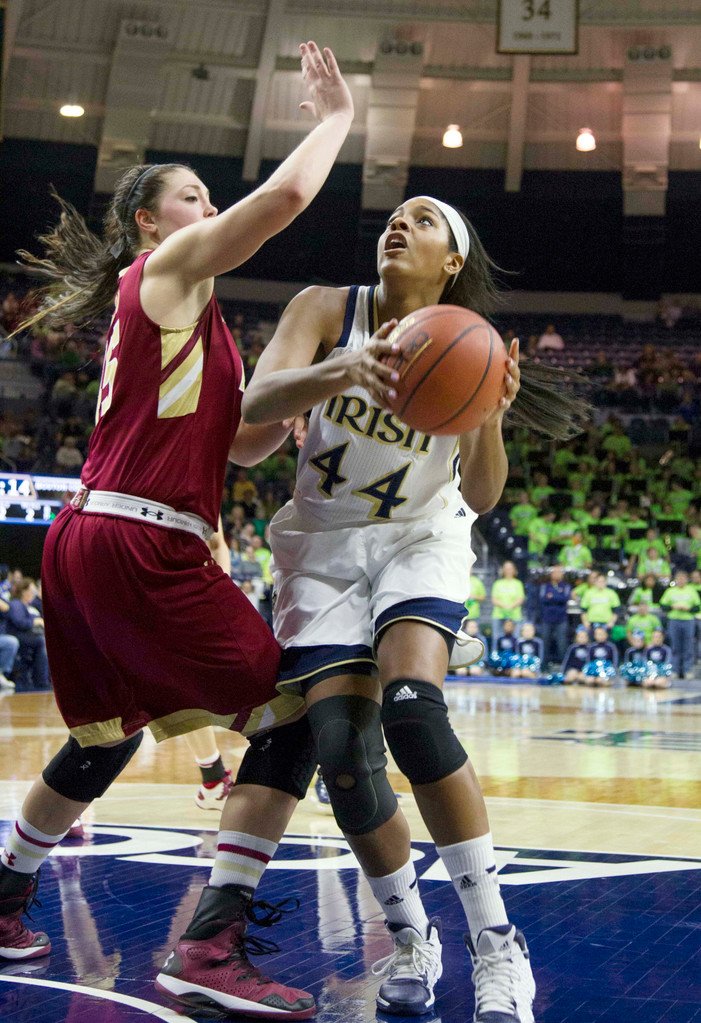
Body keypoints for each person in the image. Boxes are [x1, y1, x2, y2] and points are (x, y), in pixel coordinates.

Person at [0, 41, 356, 1021]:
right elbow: (277, 205)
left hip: (92, 536)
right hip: (137, 542)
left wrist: (313, 390)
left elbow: (238, 450)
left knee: (102, 739)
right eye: (194, 195)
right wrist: (332, 124)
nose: (209, 207)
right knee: (292, 717)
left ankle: (1, 899)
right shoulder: (166, 268)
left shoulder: (193, 325)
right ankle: (207, 945)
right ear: (149, 221)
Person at [237, 194, 587, 1021]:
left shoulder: (469, 344)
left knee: (412, 711)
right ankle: (408, 936)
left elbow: (481, 492)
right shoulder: (326, 308)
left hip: (417, 540)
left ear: (452, 263)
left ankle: (497, 945)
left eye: (425, 220)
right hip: (321, 549)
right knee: (343, 756)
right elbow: (255, 406)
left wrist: (491, 418)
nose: (401, 223)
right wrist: (339, 370)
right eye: (396, 215)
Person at [6, 578, 50, 691]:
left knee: (44, 640)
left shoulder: (26, 606)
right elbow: (19, 622)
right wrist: (35, 621)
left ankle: (43, 678)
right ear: (24, 591)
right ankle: (41, 680)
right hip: (17, 635)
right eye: (31, 590)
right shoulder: (16, 603)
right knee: (41, 641)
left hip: (25, 635)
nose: (33, 593)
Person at [659, 569, 699, 680]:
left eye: (683, 578)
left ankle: (687, 670)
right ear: (675, 579)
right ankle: (674, 670)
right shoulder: (670, 592)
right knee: (675, 646)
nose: (681, 580)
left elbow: (697, 607)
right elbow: (663, 606)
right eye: (678, 578)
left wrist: (689, 608)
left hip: (688, 620)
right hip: (674, 620)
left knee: (688, 646)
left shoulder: (691, 591)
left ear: (686, 579)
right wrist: (673, 607)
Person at [538, 566, 571, 666]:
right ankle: (544, 665)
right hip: (547, 619)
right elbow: (543, 599)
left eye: (559, 572)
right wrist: (557, 597)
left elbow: (565, 598)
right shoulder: (545, 586)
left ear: (562, 575)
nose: (556, 575)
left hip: (561, 619)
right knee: (545, 642)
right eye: (554, 573)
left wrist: (552, 597)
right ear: (551, 575)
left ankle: (563, 665)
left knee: (562, 643)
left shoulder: (566, 586)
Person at [491, 561, 526, 642]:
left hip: (515, 616)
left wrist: (510, 606)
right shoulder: (497, 583)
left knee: (515, 640)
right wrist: (504, 606)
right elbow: (494, 599)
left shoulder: (518, 584)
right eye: (506, 568)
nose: (508, 570)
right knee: (497, 640)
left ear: (514, 570)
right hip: (499, 615)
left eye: (510, 568)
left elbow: (520, 599)